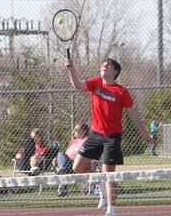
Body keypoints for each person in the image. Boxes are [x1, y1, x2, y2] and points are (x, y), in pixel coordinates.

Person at [65, 58, 154, 216]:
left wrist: (144, 133)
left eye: (109, 66)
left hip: (112, 137)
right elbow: (78, 85)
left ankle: (111, 210)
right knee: (77, 167)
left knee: (108, 173)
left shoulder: (121, 92)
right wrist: (71, 69)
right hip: (95, 135)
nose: (104, 67)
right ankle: (102, 187)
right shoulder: (96, 83)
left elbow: (132, 114)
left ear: (115, 72)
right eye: (103, 65)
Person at [57, 123, 94, 197]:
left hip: (80, 163)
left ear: (83, 132)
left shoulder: (87, 140)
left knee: (64, 168)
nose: (74, 131)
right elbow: (66, 153)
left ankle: (63, 171)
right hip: (69, 163)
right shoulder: (73, 141)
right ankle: (63, 169)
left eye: (76, 130)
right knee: (60, 154)